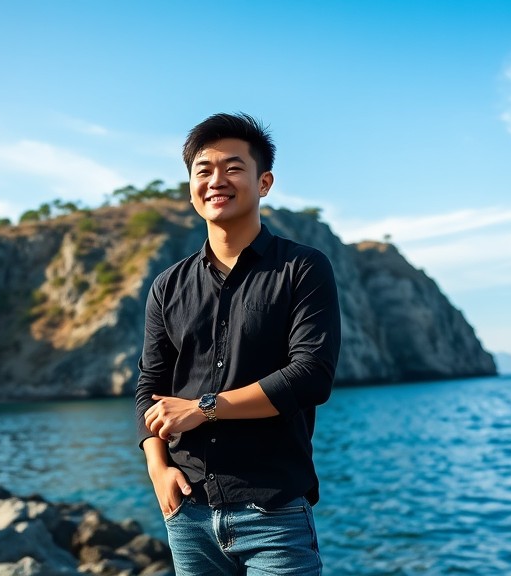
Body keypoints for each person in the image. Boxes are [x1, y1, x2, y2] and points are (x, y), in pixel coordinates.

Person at [134, 112, 341, 575]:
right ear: (190, 185)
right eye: (203, 170)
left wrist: (205, 407)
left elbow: (311, 376)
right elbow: (150, 385)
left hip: (273, 514)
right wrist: (157, 470)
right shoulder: (167, 286)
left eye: (232, 168)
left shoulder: (303, 268)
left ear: (263, 182)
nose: (216, 181)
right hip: (187, 514)